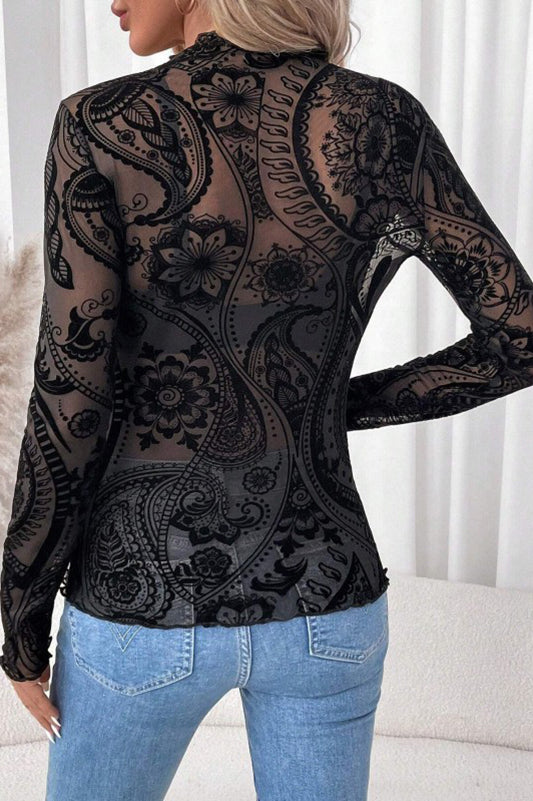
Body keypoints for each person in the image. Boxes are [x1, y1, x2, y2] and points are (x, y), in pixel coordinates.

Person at [1, 0, 532, 799]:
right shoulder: (381, 118)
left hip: (141, 599)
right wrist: (327, 406)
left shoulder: (101, 125)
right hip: (326, 597)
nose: (109, 0)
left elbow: (73, 391)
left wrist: (20, 615)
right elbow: (519, 336)